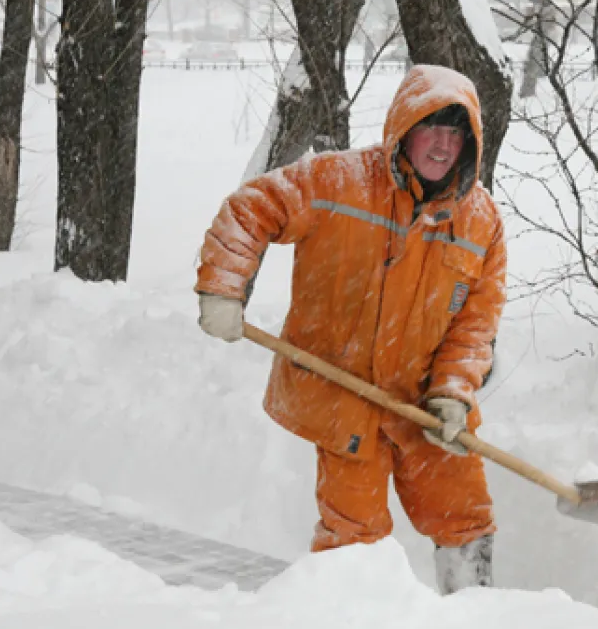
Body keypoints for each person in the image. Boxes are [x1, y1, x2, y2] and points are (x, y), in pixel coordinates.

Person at [193, 64, 507, 595]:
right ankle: (352, 613)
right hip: (344, 396)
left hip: (423, 403)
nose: (441, 144)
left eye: (456, 133)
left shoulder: (481, 223)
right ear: (405, 128)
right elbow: (250, 209)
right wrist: (223, 288)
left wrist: (453, 395)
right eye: (431, 127)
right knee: (354, 536)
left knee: (464, 515)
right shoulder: (337, 181)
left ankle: (471, 611)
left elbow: (475, 325)